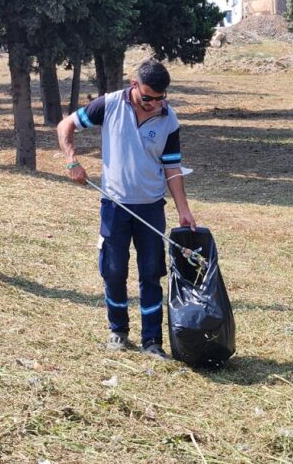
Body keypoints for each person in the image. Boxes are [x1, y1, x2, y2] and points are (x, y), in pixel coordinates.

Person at [57, 59, 195, 359]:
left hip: (151, 209)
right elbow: (65, 125)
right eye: (148, 97)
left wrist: (183, 209)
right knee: (114, 270)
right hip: (114, 206)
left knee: (151, 272)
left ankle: (152, 341)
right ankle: (117, 330)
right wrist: (72, 160)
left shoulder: (168, 119)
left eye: (161, 98)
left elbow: (172, 167)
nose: (154, 104)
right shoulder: (108, 105)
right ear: (134, 86)